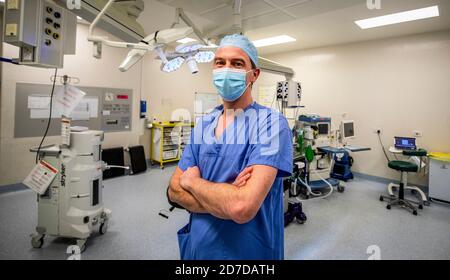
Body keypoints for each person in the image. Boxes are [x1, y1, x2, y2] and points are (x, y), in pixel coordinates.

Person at [167, 34, 293, 260]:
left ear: (253, 74)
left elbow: (241, 207)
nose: (226, 69)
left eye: (237, 63)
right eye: (220, 62)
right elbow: (174, 191)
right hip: (199, 250)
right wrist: (227, 197)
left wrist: (193, 182)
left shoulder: (272, 124)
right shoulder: (204, 124)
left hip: (248, 254)